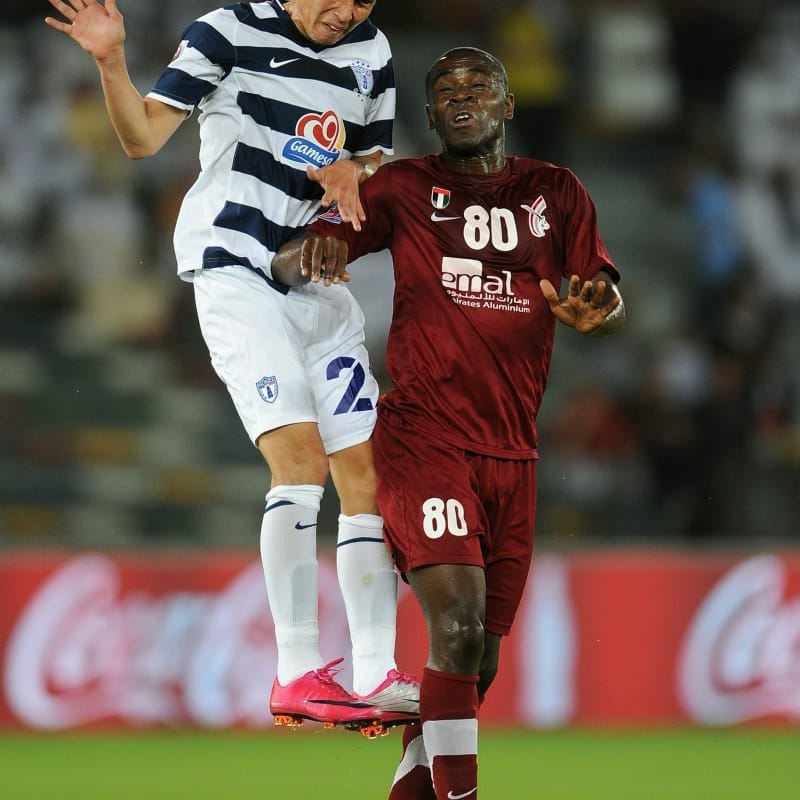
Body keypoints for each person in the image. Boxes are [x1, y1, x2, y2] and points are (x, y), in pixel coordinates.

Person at [44, 0, 418, 732]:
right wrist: (111, 61)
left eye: (365, 0)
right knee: (300, 460)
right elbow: (143, 138)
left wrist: (356, 175)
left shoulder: (372, 52)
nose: (349, 12)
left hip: (316, 280)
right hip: (236, 269)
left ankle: (376, 673)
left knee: (370, 477)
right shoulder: (228, 31)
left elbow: (373, 162)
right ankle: (296, 671)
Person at [272, 46, 625, 798]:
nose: (463, 97)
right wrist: (314, 249)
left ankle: (412, 789)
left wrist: (604, 307)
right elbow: (292, 258)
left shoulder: (556, 191)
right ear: (431, 116)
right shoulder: (403, 187)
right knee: (457, 630)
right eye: (446, 91)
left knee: (476, 663)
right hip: (424, 438)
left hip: (513, 452)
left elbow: (602, 288)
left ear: (507, 104)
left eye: (479, 85)